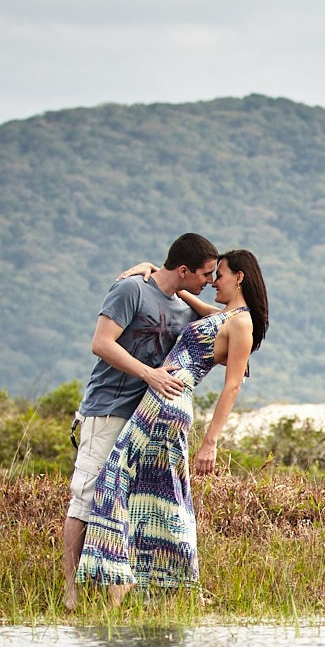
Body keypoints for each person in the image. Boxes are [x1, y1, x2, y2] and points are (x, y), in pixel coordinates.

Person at [73, 248, 269, 607]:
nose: (213, 283)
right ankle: (158, 585)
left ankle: (124, 580)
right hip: (160, 397)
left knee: (116, 479)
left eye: (219, 275)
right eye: (209, 275)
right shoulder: (229, 315)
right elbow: (190, 296)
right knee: (156, 492)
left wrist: (210, 443)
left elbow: (233, 386)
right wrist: (152, 270)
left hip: (168, 400)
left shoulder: (242, 324)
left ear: (239, 277)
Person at [62, 232, 219, 611]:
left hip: (147, 419)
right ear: (184, 269)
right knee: (87, 497)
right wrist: (149, 373)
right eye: (205, 274)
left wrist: (183, 293)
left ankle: (117, 593)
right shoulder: (131, 290)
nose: (211, 282)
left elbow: (239, 323)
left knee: (129, 503)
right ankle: (71, 593)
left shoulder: (186, 304)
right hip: (108, 409)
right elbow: (101, 343)